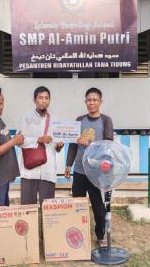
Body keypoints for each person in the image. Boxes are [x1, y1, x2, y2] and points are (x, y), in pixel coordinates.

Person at [65, 87, 114, 247]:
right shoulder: (79, 120)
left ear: (100, 102)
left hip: (96, 172)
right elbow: (73, 145)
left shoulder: (106, 120)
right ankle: (78, 234)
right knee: (77, 205)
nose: (91, 103)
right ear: (85, 101)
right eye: (89, 100)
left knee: (98, 207)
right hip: (79, 170)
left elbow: (108, 145)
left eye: (95, 100)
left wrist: (89, 143)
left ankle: (100, 235)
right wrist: (68, 164)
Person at [18, 86, 64, 205]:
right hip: (29, 170)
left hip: (48, 169)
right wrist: (38, 139)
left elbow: (55, 146)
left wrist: (59, 146)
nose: (44, 101)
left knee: (48, 208)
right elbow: (19, 141)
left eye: (47, 98)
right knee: (27, 207)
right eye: (40, 98)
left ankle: (46, 224)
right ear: (34, 100)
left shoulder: (55, 121)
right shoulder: (26, 119)